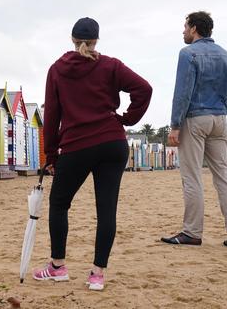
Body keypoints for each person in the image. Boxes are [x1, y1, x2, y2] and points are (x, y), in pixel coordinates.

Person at [34, 17, 152, 291]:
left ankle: (58, 267)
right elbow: (144, 88)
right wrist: (127, 119)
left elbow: (52, 116)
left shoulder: (57, 70)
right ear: (97, 39)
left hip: (77, 145)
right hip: (112, 143)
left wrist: (51, 155)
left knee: (60, 203)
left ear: (72, 38)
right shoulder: (110, 65)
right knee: (106, 209)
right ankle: (97, 274)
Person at [161, 11, 227, 248]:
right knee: (223, 177)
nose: (183, 31)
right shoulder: (226, 55)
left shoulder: (188, 53)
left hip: (195, 118)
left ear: (195, 28)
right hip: (219, 118)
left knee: (192, 177)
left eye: (185, 26)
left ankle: (192, 232)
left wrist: (175, 125)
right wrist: (221, 112)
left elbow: (183, 91)